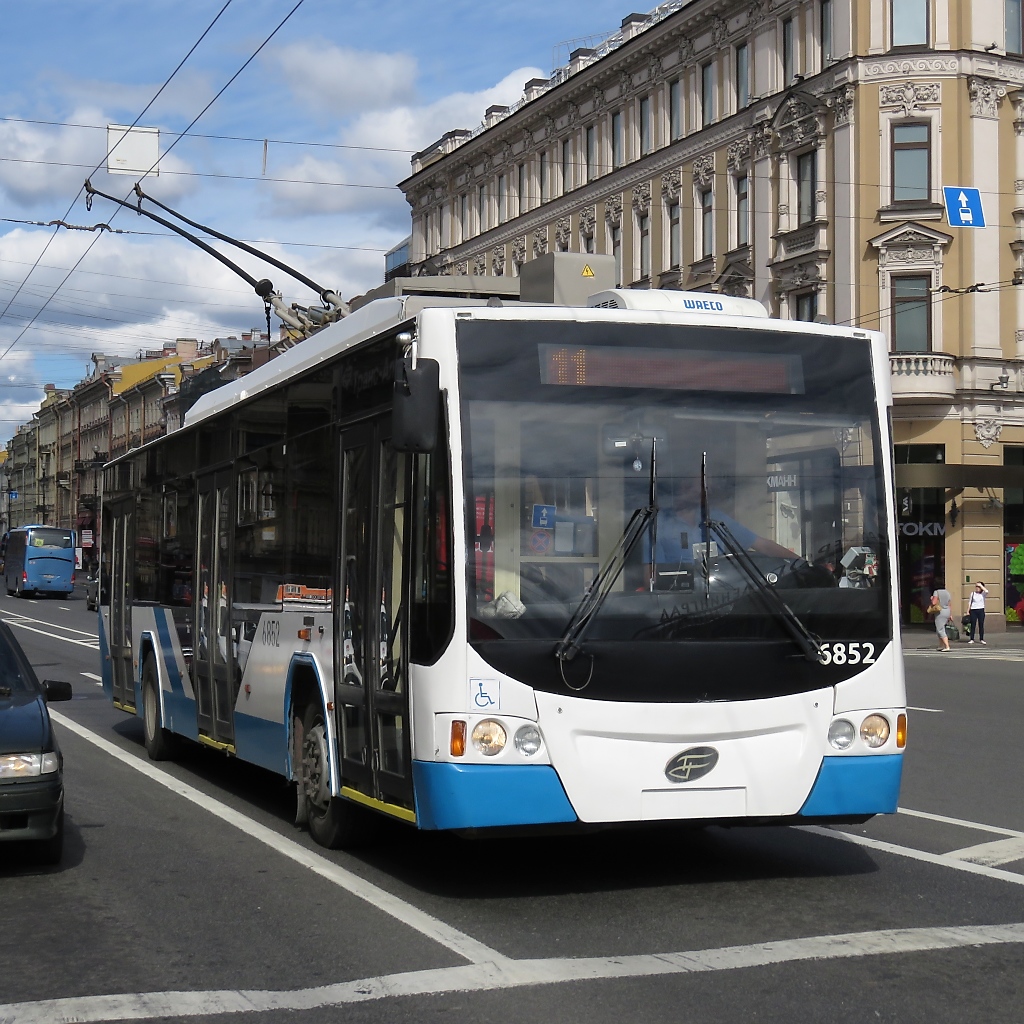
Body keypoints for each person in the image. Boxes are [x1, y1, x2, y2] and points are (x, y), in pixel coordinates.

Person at [931, 578, 953, 651]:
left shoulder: (936, 592)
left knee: (940, 629)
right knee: (940, 629)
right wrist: (950, 614)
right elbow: (949, 604)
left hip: (940, 612)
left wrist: (931, 598)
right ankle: (941, 645)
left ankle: (947, 646)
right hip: (947, 611)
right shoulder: (947, 592)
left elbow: (934, 602)